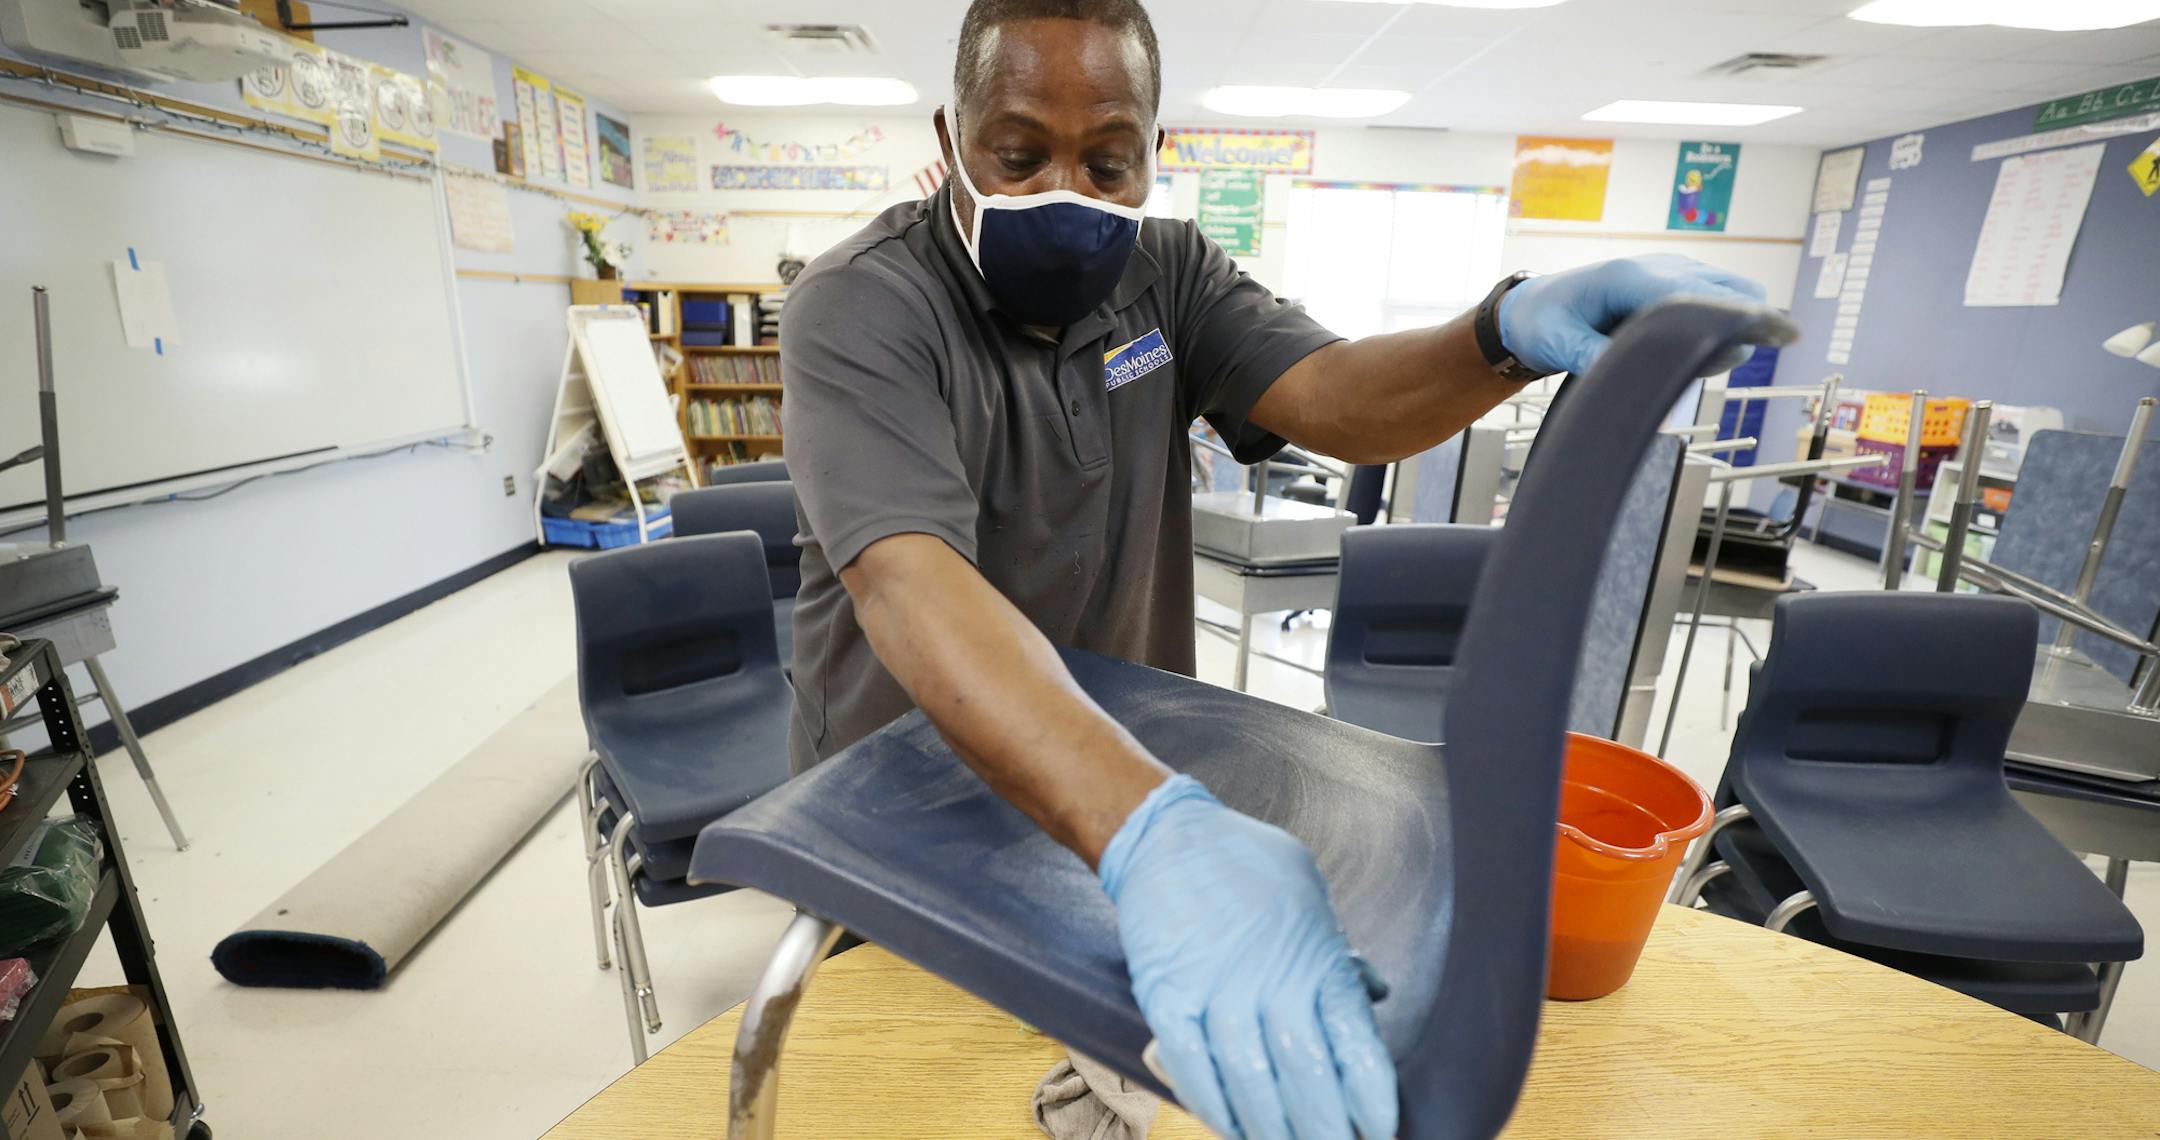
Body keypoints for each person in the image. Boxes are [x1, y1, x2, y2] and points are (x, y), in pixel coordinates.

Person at [779, 2, 1766, 1136]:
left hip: (1111, 773)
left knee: (1105, 1070)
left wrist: (1498, 333)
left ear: (1154, 149)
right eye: (1018, 156)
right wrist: (1159, 829)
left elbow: (1340, 396)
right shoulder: (862, 305)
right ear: (951, 140)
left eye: (1109, 162)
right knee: (899, 1091)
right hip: (911, 798)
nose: (1069, 193)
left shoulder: (1166, 277)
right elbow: (910, 579)